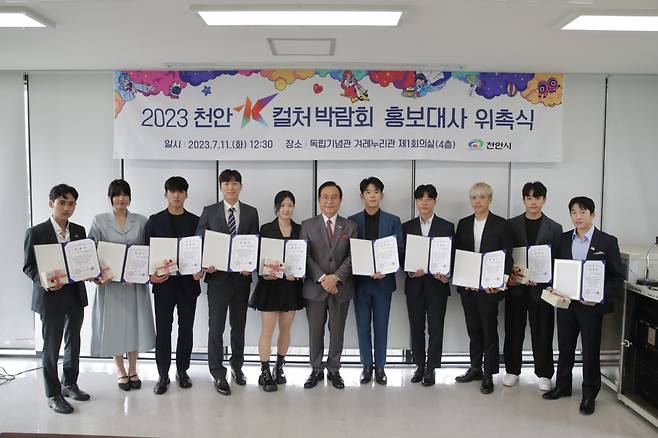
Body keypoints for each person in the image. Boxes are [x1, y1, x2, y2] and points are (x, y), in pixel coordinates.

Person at [542, 196, 624, 415]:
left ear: (593, 215)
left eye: (582, 212)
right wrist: (552, 286)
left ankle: (589, 393)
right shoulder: (562, 239)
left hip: (591, 306)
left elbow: (617, 277)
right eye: (573, 213)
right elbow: (555, 270)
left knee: (590, 349)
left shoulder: (607, 241)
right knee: (565, 347)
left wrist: (599, 296)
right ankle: (563, 385)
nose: (577, 217)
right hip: (566, 304)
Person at [23, 184, 91, 414]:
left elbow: (85, 261)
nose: (67, 208)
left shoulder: (80, 230)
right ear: (51, 203)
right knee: (51, 347)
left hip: (74, 294)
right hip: (50, 297)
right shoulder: (36, 232)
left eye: (71, 203)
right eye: (62, 202)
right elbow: (28, 267)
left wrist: (91, 271)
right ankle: (53, 393)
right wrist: (45, 279)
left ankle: (69, 383)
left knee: (74, 342)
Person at [196, 169, 259, 396]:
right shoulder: (209, 211)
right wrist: (205, 263)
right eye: (226, 184)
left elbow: (254, 244)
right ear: (221, 187)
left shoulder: (251, 212)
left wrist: (250, 264)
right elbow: (200, 241)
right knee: (216, 328)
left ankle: (237, 366)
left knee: (239, 327)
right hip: (218, 280)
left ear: (241, 186)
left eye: (235, 183)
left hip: (241, 281)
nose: (231, 188)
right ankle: (217, 372)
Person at [89, 179, 155, 391]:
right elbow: (92, 251)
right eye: (117, 194)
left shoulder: (141, 221)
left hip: (134, 285)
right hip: (111, 286)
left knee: (134, 325)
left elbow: (147, 251)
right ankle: (120, 370)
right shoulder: (99, 220)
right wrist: (101, 274)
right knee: (115, 327)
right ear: (111, 197)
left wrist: (136, 274)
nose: (121, 198)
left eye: (125, 194)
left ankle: (134, 369)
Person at [144, 176, 203, 395]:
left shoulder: (196, 221)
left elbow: (201, 253)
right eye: (172, 191)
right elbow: (145, 253)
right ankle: (162, 374)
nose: (176, 195)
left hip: (188, 285)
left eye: (180, 191)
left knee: (186, 329)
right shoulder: (154, 220)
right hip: (164, 285)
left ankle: (182, 370)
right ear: (165, 194)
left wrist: (201, 269)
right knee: (164, 331)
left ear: (186, 194)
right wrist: (151, 276)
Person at [454, 182, 513, 395]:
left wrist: (498, 284)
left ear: (490, 199)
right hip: (468, 287)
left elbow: (507, 257)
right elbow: (458, 254)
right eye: (473, 197)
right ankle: (475, 367)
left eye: (482, 197)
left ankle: (489, 374)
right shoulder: (463, 223)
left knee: (489, 330)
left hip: (489, 289)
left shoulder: (501, 225)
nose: (477, 201)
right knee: (473, 329)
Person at [503, 181, 563, 391]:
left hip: (542, 289)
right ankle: (512, 370)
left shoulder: (555, 228)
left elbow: (558, 259)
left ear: (544, 200)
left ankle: (545, 373)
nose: (533, 202)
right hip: (516, 287)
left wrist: (549, 279)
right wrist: (509, 274)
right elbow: (505, 255)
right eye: (529, 198)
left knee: (543, 332)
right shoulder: (510, 225)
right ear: (523, 200)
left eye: (537, 198)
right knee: (513, 330)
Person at [301, 181, 358, 390]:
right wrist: (324, 278)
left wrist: (336, 278)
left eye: (334, 197)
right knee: (315, 332)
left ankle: (334, 369)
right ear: (318, 200)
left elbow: (353, 257)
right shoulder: (307, 225)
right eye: (325, 197)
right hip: (315, 289)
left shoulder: (350, 226)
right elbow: (305, 256)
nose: (329, 201)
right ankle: (316, 369)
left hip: (340, 288)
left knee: (337, 331)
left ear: (340, 200)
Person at [348, 177, 403, 385]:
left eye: (376, 191)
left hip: (383, 282)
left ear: (382, 195)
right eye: (368, 192)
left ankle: (380, 366)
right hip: (361, 282)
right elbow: (349, 252)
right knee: (362, 326)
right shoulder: (352, 221)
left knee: (381, 325)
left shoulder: (393, 220)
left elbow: (399, 248)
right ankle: (366, 366)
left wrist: (385, 269)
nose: (372, 195)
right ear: (361, 195)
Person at [249, 190, 304, 392]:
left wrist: (297, 273)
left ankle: (279, 367)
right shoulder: (266, 229)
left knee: (286, 329)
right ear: (276, 208)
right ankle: (264, 371)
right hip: (270, 287)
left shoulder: (300, 230)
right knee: (267, 331)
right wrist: (267, 272)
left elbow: (303, 259)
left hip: (291, 287)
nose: (286, 209)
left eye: (290, 205)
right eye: (282, 205)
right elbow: (259, 259)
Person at [402, 184, 455, 387]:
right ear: (416, 202)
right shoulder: (407, 226)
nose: (424, 202)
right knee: (416, 327)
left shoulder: (446, 226)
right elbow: (402, 254)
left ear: (435, 201)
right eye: (420, 199)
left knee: (436, 327)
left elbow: (451, 256)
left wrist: (446, 274)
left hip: (437, 285)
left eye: (428, 199)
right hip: (414, 284)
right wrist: (408, 270)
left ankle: (432, 368)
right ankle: (419, 366)